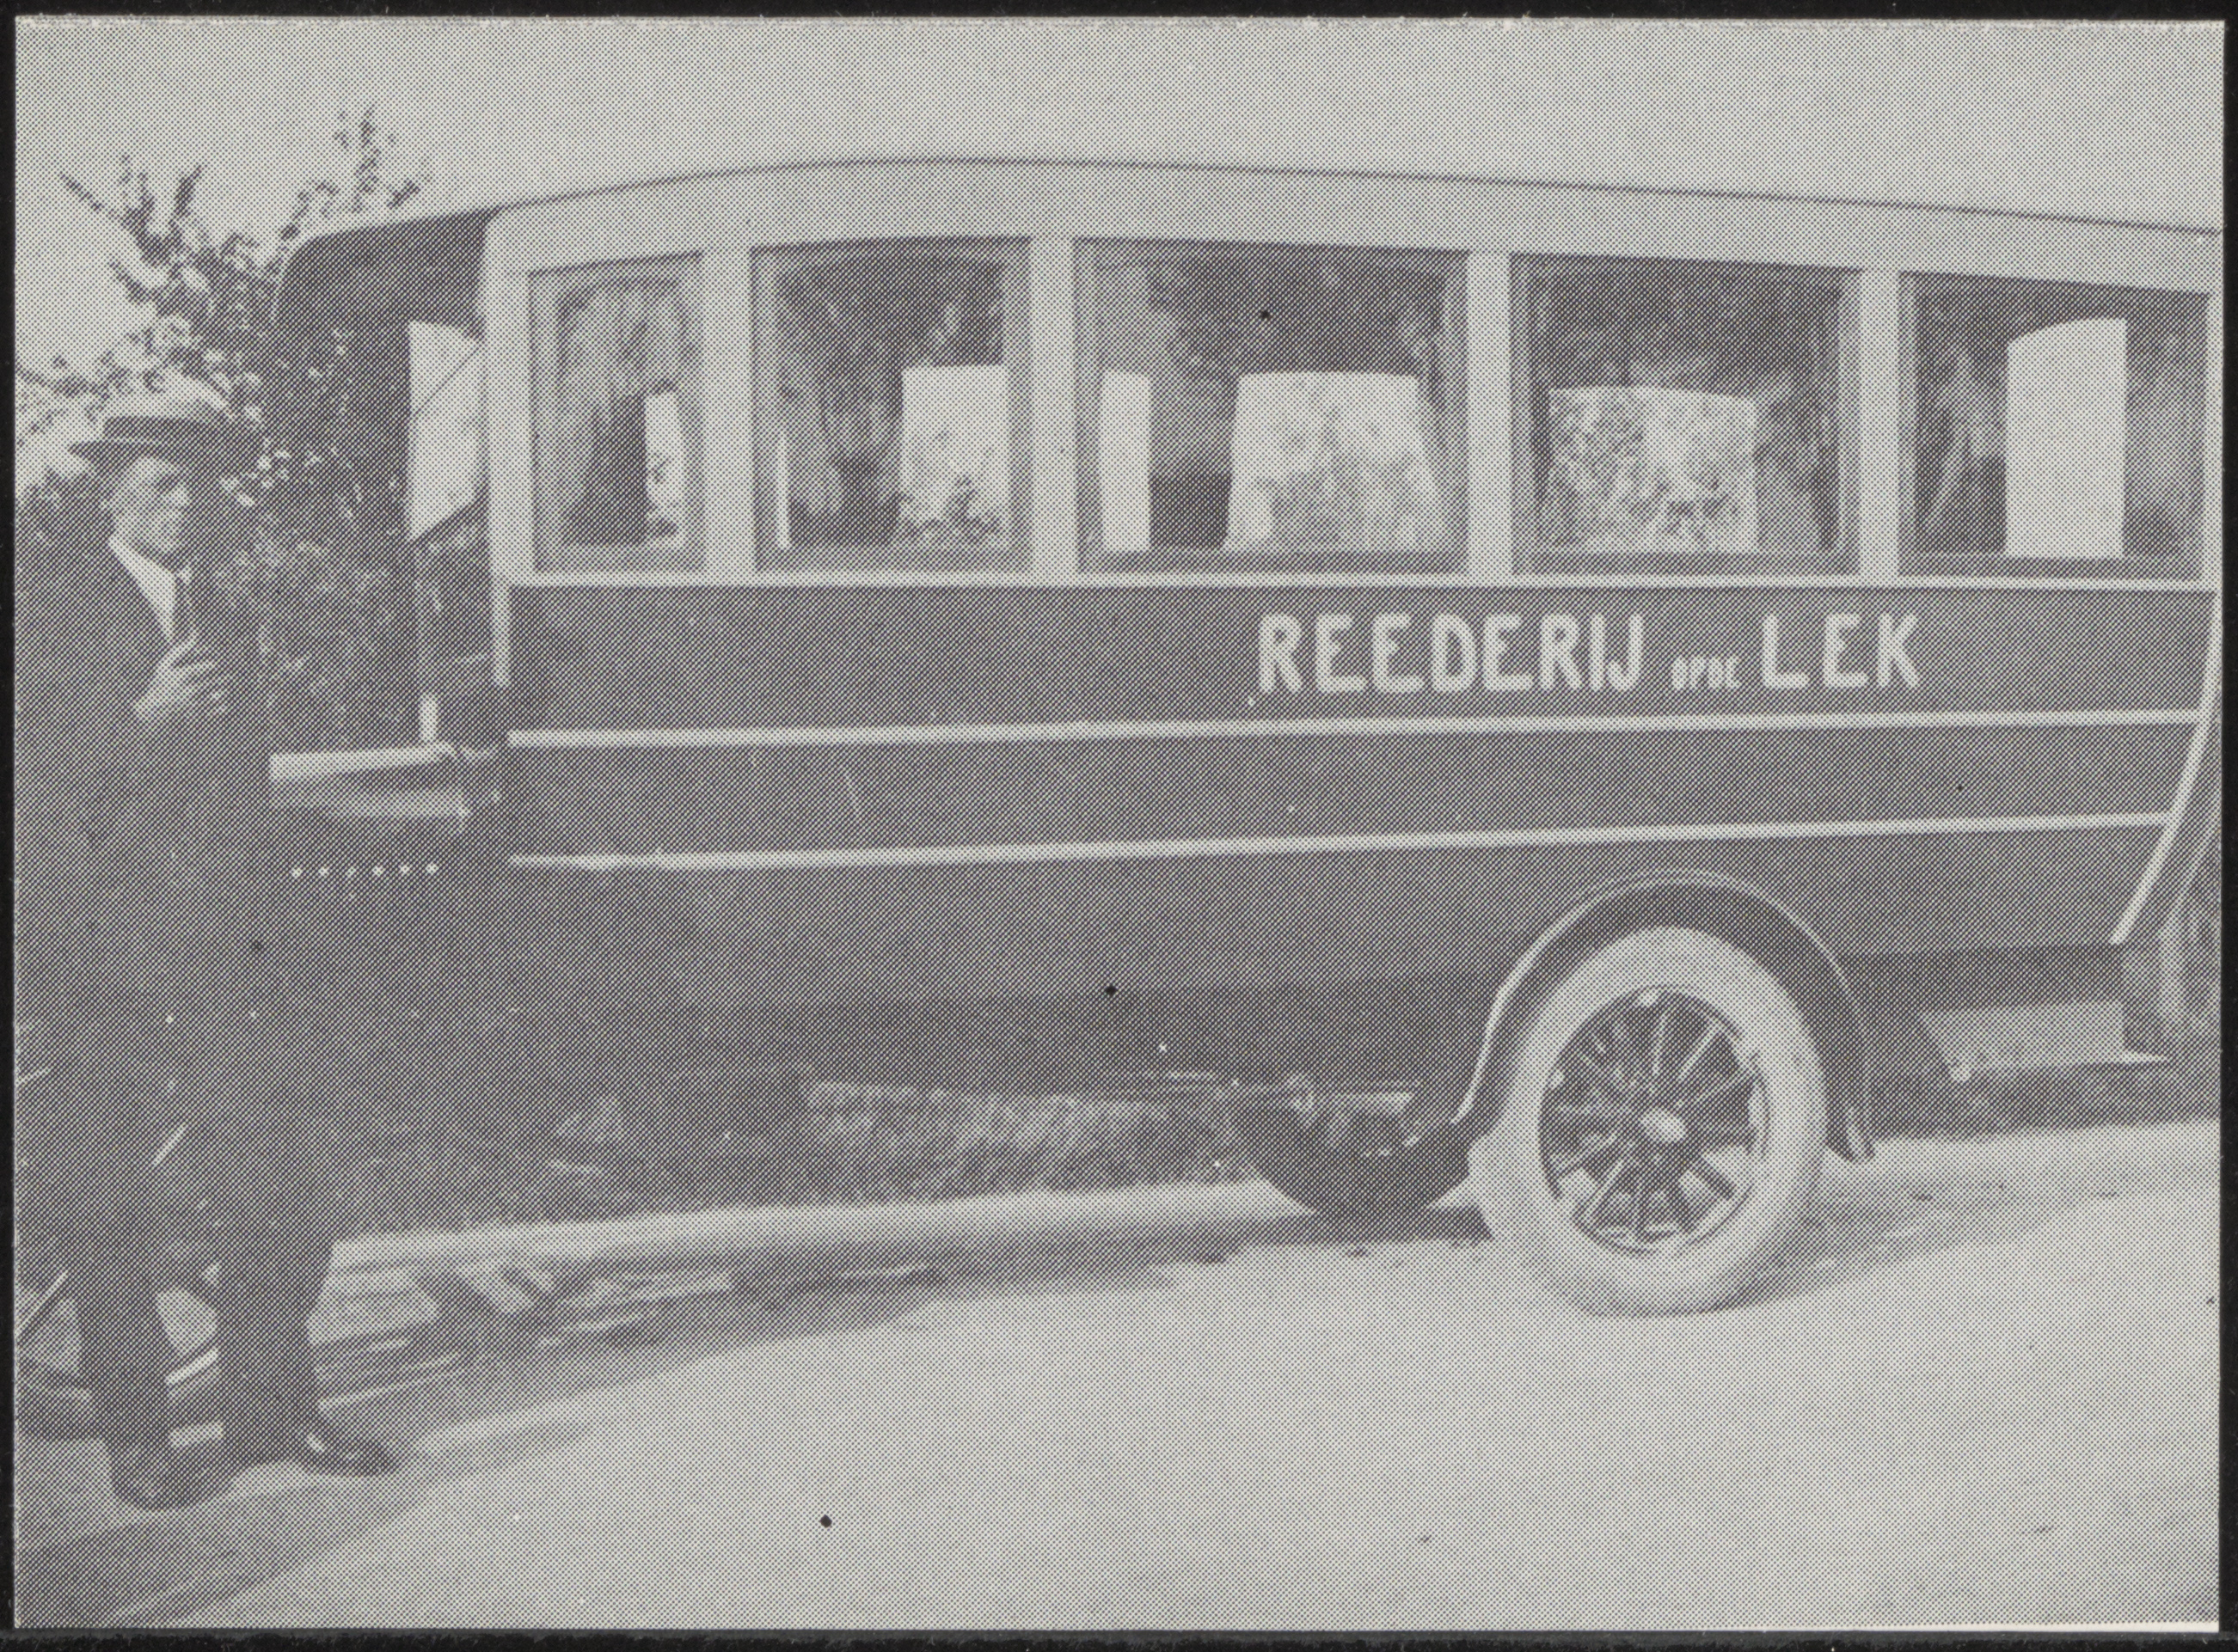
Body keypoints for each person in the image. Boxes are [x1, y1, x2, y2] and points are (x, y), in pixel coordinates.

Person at [17, 395, 395, 1508]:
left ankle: (273, 1413)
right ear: (112, 490)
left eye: (201, 484)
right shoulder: (54, 605)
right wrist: (141, 720)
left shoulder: (223, 611)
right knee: (107, 1202)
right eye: (162, 482)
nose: (187, 503)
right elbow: (33, 787)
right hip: (104, 958)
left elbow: (244, 792)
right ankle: (138, 1438)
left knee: (273, 1180)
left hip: (226, 951)